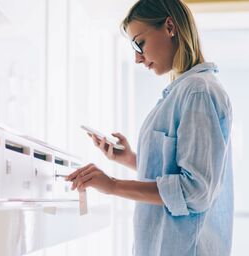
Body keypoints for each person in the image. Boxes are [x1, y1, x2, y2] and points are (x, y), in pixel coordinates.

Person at [65, 0, 233, 255]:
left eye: (139, 43)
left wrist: (112, 185)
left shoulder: (198, 92)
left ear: (169, 27)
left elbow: (195, 191)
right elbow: (176, 167)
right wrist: (131, 159)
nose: (136, 58)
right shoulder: (181, 92)